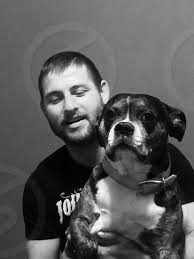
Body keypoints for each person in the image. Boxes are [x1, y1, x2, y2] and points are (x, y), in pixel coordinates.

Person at [22, 51, 194, 259]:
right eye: (55, 98)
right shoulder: (41, 184)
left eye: (79, 92)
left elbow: (192, 232)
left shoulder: (166, 160)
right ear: (44, 108)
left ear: (103, 92)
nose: (69, 107)